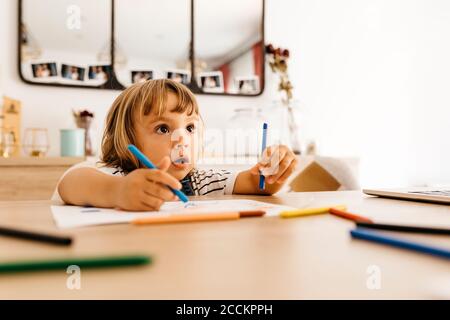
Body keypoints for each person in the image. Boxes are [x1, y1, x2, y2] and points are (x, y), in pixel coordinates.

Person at [53, 79, 297, 211]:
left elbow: (255, 184)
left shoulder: (201, 180)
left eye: (189, 128)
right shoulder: (119, 176)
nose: (182, 138)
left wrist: (273, 170)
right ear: (127, 139)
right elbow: (70, 183)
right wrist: (118, 191)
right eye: (163, 128)